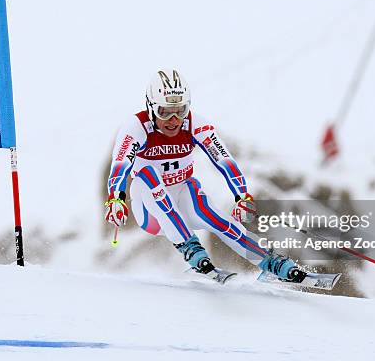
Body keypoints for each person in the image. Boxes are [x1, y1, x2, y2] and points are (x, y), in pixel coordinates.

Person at [104, 69, 306, 282]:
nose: (173, 120)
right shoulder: (136, 127)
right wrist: (115, 198)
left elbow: (224, 160)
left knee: (211, 214)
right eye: (165, 112)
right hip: (150, 211)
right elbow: (120, 165)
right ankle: (191, 250)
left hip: (181, 197)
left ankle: (270, 263)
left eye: (180, 110)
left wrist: (242, 197)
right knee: (147, 175)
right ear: (151, 107)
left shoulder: (195, 124)